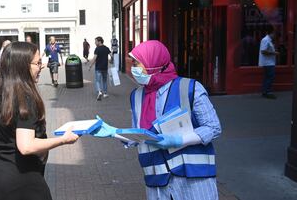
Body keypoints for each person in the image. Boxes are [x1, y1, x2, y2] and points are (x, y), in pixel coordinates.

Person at [92, 40, 222, 200]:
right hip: (157, 180)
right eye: (132, 63)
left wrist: (179, 140)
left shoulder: (190, 88)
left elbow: (213, 127)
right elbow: (140, 134)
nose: (133, 69)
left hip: (193, 179)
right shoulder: (137, 95)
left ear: (152, 62)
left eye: (137, 63)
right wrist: (114, 133)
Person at [0, 41, 79, 200]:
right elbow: (26, 146)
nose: (41, 67)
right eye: (38, 63)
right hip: (25, 182)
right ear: (22, 66)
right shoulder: (26, 99)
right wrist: (63, 140)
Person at [88, 36, 113, 101]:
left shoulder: (97, 49)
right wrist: (110, 60)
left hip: (98, 68)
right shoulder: (106, 48)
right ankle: (105, 93)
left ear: (99, 41)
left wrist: (90, 66)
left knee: (97, 81)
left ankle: (99, 91)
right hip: (105, 67)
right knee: (104, 80)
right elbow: (111, 56)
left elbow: (94, 58)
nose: (95, 43)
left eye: (96, 41)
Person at [258, 26, 279, 99]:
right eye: (274, 34)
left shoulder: (268, 40)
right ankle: (268, 92)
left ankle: (265, 92)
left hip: (269, 62)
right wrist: (274, 53)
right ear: (272, 33)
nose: (275, 35)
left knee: (267, 77)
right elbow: (263, 51)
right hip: (268, 63)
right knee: (270, 77)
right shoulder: (266, 40)